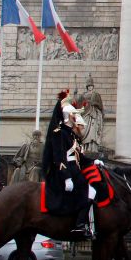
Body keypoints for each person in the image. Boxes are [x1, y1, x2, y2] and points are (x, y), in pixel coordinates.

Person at [41, 90, 96, 238]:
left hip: (74, 169)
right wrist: (66, 177)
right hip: (64, 171)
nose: (76, 119)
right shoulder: (59, 133)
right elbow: (59, 158)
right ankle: (79, 225)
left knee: (93, 189)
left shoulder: (71, 135)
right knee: (89, 191)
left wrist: (93, 161)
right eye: (74, 116)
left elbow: (79, 157)